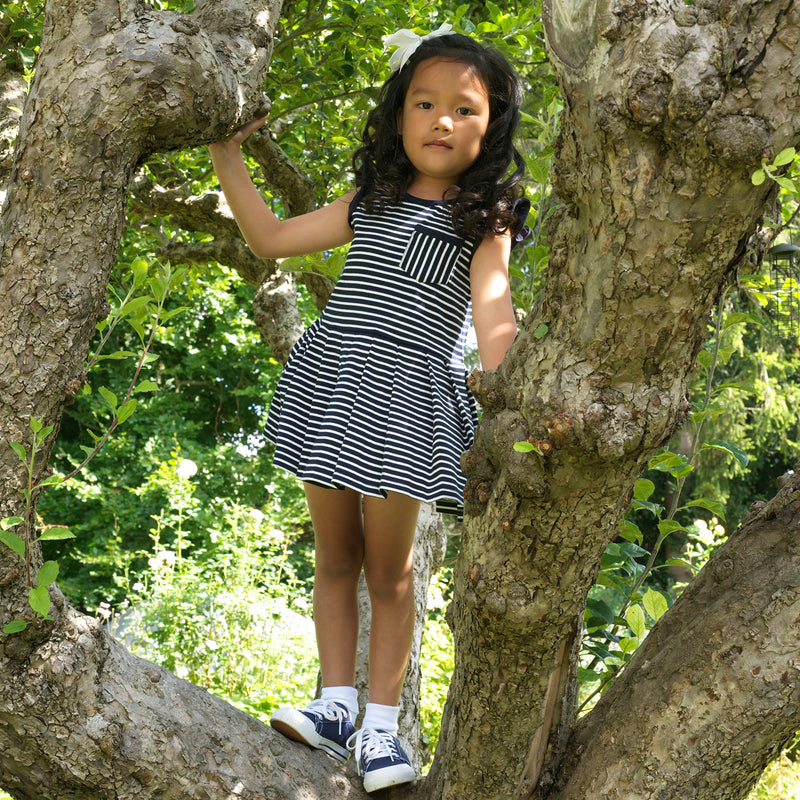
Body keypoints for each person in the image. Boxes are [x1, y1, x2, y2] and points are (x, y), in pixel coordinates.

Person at [209, 23, 527, 794]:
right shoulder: (372, 199)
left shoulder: (484, 216)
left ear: (492, 128)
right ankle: (334, 704)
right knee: (334, 560)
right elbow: (272, 239)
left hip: (407, 405)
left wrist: (513, 394)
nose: (441, 121)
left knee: (389, 574)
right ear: (398, 115)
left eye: (464, 109)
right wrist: (226, 154)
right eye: (424, 103)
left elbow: (493, 314)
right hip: (334, 386)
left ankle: (382, 730)